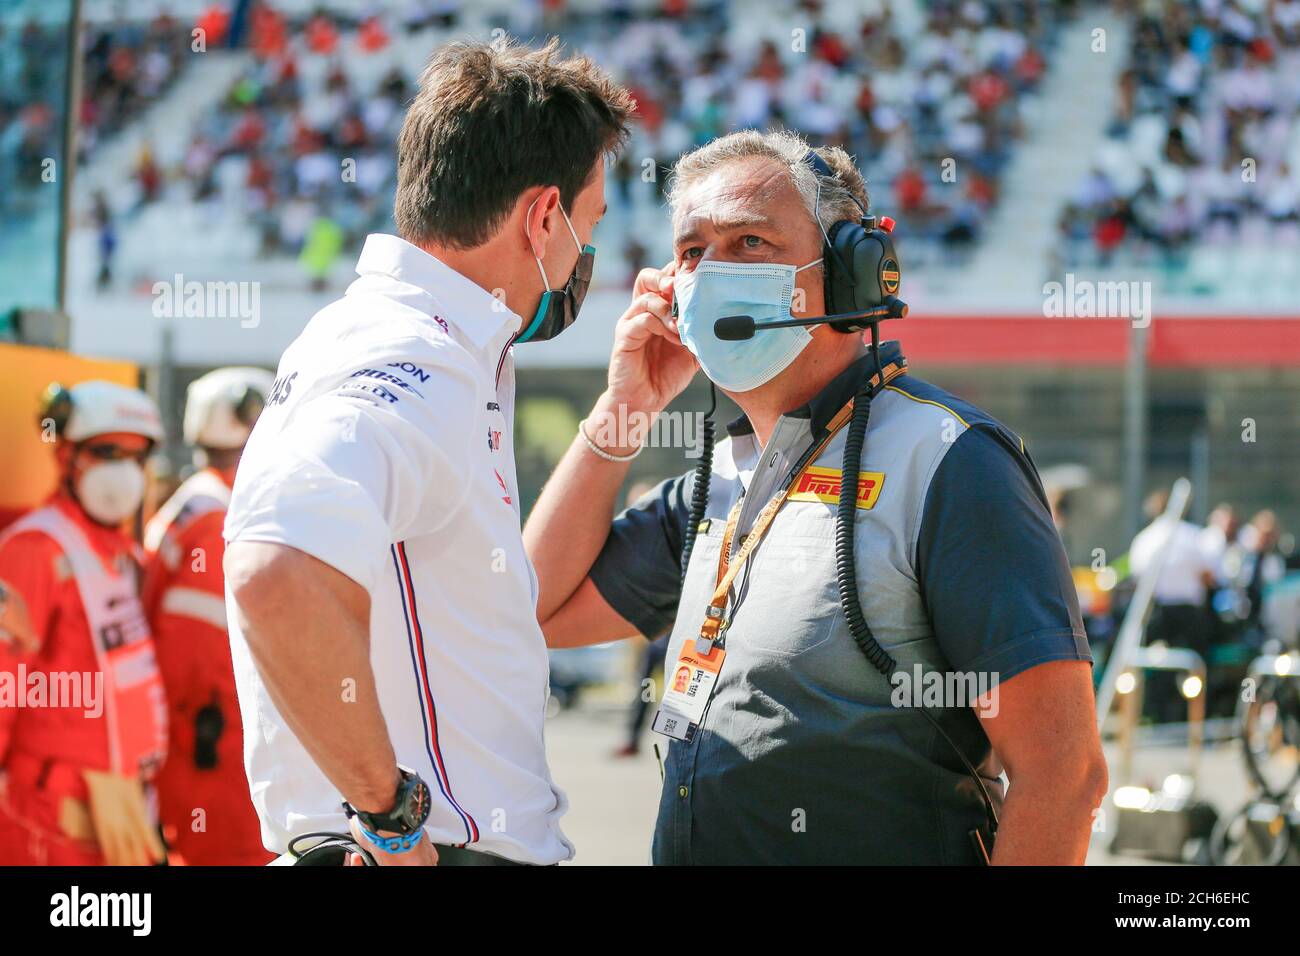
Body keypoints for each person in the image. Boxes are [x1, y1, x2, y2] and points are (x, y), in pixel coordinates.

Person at [526, 130, 1108, 865]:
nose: (712, 271)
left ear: (849, 270)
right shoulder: (720, 477)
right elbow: (535, 608)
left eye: (750, 241)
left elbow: (1064, 775)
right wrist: (624, 409)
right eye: (693, 252)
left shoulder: (951, 462)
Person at [222, 39, 634, 866]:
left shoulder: (419, 337)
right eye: (587, 227)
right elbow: (275, 576)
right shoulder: (417, 355)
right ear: (542, 216)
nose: (586, 256)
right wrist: (390, 813)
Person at [0, 381, 168, 866]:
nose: (124, 473)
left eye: (137, 458)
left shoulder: (123, 555)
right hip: (49, 819)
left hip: (117, 811)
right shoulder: (34, 550)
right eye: (106, 452)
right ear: (67, 456)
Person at [142, 367, 276, 865]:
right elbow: (199, 658)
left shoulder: (196, 502)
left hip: (201, 738)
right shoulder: (219, 518)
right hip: (212, 743)